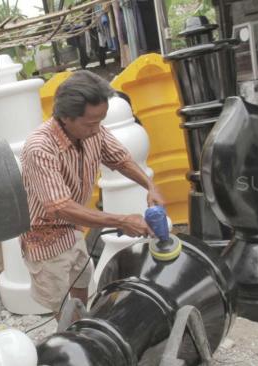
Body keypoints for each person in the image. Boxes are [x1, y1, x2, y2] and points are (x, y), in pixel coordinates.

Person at [20, 70, 164, 318]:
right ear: (66, 117)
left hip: (75, 226)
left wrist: (150, 186)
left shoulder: (93, 130)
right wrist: (121, 220)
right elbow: (60, 207)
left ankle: (82, 326)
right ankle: (73, 341)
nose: (98, 129)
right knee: (63, 307)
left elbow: (120, 159)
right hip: (46, 235)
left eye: (101, 120)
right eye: (91, 123)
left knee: (82, 284)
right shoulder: (40, 147)